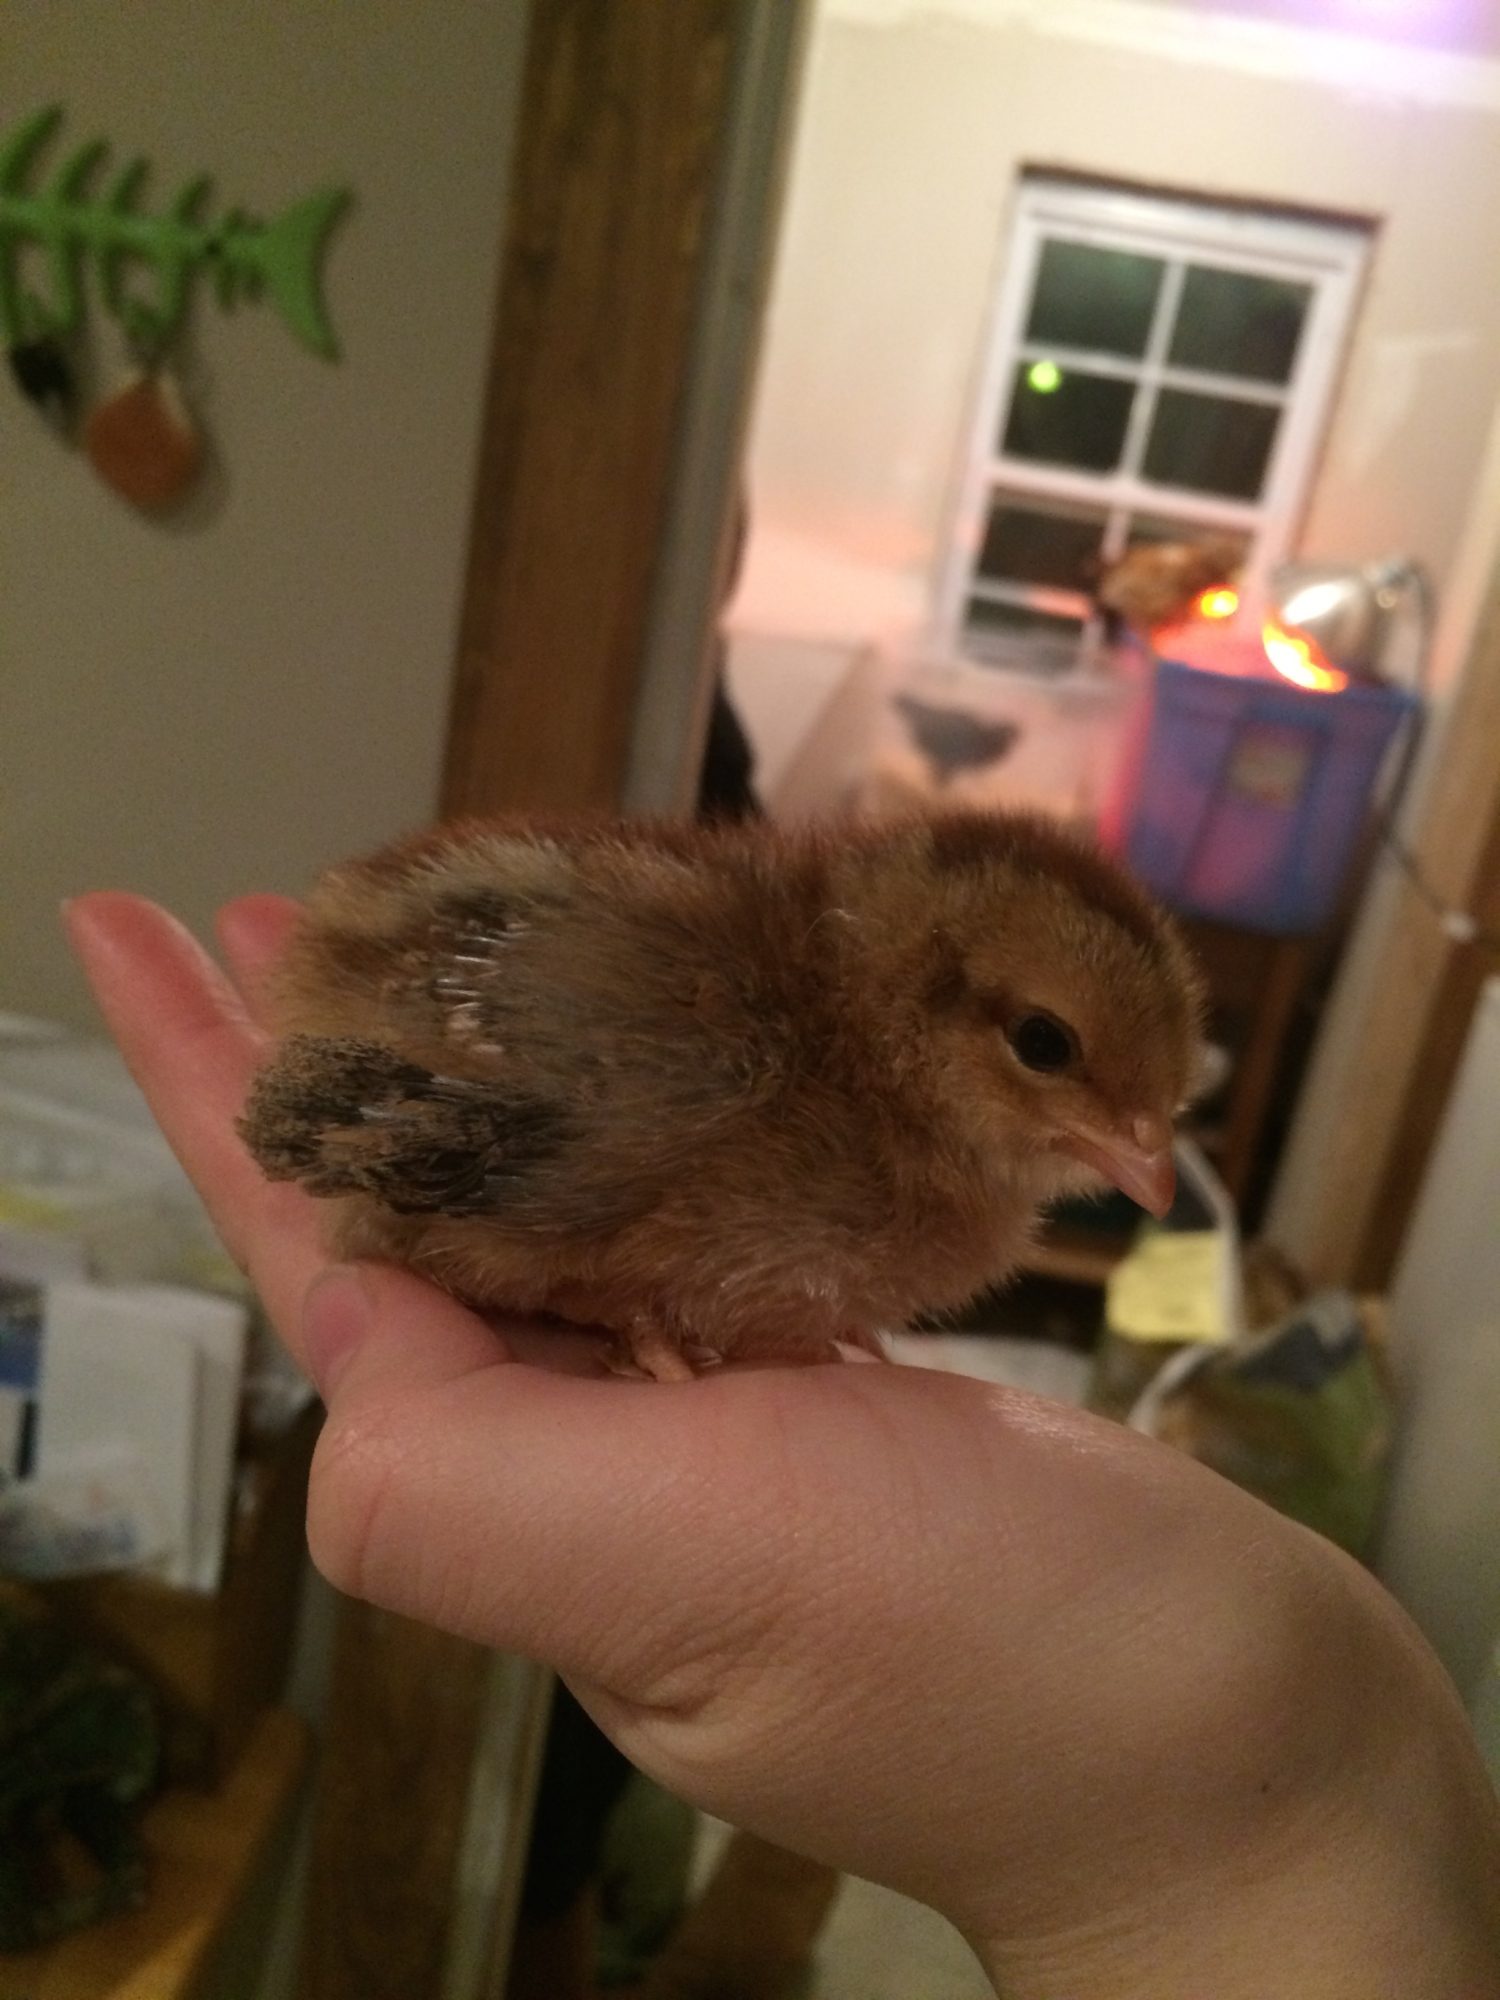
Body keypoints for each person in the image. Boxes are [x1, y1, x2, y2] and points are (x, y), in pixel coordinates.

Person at [65, 892, 1500, 1998]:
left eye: (1151, 1110)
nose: (1139, 1156)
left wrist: (1271, 1774)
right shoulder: (791, 1109)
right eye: (1052, 1055)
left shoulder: (874, 1131)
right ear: (929, 1001)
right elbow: (448, 1135)